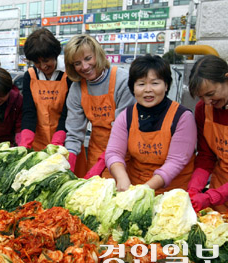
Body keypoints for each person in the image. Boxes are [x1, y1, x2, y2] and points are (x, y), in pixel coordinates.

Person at [105, 54, 196, 193]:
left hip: (172, 194)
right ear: (133, 88)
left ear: (166, 85)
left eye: (155, 83)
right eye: (141, 84)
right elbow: (114, 153)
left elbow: (176, 162)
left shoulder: (182, 117)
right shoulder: (126, 116)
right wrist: (122, 179)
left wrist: (145, 190)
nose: (148, 90)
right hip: (134, 189)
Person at [187, 55, 228, 214]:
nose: (207, 101)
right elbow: (205, 156)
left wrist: (211, 197)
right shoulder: (203, 109)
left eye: (210, 94)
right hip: (218, 197)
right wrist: (194, 189)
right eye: (202, 96)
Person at [63, 34, 135, 179]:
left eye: (88, 58)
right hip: (97, 151)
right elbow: (74, 133)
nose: (84, 67)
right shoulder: (77, 89)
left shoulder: (123, 81)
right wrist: (68, 162)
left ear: (98, 54)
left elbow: (122, 131)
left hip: (126, 154)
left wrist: (104, 162)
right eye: (77, 63)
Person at [19, 28, 72, 152]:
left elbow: (68, 112)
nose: (43, 66)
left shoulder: (69, 75)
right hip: (38, 142)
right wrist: (25, 141)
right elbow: (29, 111)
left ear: (55, 54)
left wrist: (58, 141)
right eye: (37, 62)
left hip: (65, 141)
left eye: (46, 60)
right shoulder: (30, 76)